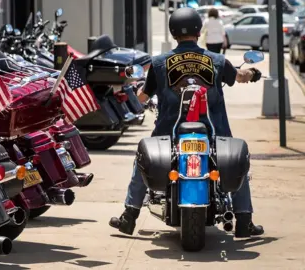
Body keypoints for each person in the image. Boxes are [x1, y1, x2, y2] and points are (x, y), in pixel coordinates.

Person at [109, 7, 264, 239]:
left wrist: (128, 93)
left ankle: (129, 217)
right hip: (214, 132)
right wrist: (252, 73)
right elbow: (240, 77)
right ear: (199, 31)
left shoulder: (160, 63)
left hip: (168, 132)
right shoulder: (217, 60)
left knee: (142, 162)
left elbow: (142, 97)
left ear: (173, 33)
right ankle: (244, 221)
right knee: (238, 163)